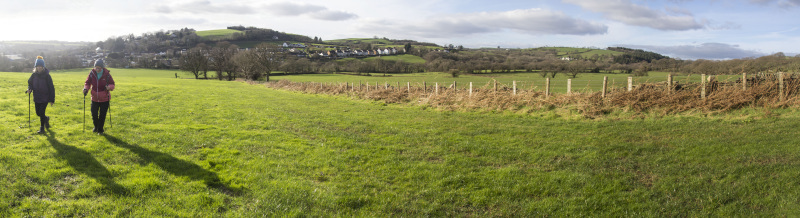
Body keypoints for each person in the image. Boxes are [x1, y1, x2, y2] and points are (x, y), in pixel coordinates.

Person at [83, 59, 115, 135]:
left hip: (104, 99)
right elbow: (87, 83)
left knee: (102, 115)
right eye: (96, 68)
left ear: (102, 68)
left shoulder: (107, 74)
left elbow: (112, 84)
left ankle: (100, 130)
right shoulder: (92, 73)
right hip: (94, 98)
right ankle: (96, 127)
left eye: (99, 68)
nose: (97, 69)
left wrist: (109, 87)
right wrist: (85, 89)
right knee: (94, 114)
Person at [26, 56, 55, 134]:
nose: (39, 67)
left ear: (43, 67)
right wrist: (29, 89)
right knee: (38, 113)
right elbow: (30, 83)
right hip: (37, 97)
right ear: (36, 67)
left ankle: (42, 128)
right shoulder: (33, 75)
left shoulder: (47, 76)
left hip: (45, 97)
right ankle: (46, 119)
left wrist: (52, 99)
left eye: (41, 66)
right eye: (38, 66)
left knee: (41, 112)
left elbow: (51, 88)